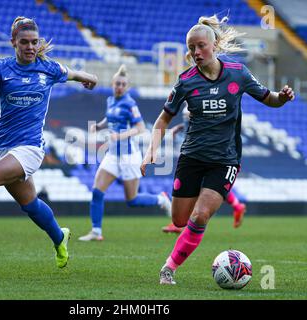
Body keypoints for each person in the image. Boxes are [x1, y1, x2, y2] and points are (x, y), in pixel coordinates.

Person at [140, 14, 294, 285]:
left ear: (214, 45)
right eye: (191, 48)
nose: (196, 53)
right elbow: (164, 117)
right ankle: (186, 232)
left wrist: (281, 98)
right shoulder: (186, 81)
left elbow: (268, 97)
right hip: (191, 156)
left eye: (200, 46)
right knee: (179, 219)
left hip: (225, 160)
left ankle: (169, 268)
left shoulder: (238, 73)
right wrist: (151, 149)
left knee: (200, 216)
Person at [0, 17, 98, 268]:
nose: (30, 47)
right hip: (5, 148)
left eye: (34, 42)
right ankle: (60, 237)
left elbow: (73, 73)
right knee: (30, 204)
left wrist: (89, 77)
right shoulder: (0, 68)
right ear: (13, 43)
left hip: (30, 148)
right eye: (24, 42)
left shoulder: (47, 68)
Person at [78, 65, 171, 241]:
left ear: (127, 87)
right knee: (97, 191)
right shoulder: (110, 100)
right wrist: (99, 125)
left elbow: (140, 128)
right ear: (112, 84)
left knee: (132, 200)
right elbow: (110, 118)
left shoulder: (130, 104)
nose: (119, 86)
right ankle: (96, 231)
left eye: (123, 84)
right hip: (112, 155)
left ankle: (161, 199)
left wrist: (120, 135)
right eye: (117, 83)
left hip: (129, 155)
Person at [162, 108, 246, 233]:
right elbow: (189, 124)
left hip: (200, 153)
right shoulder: (191, 99)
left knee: (205, 187)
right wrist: (179, 128)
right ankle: (236, 205)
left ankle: (182, 225)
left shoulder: (201, 101)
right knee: (207, 186)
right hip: (192, 151)